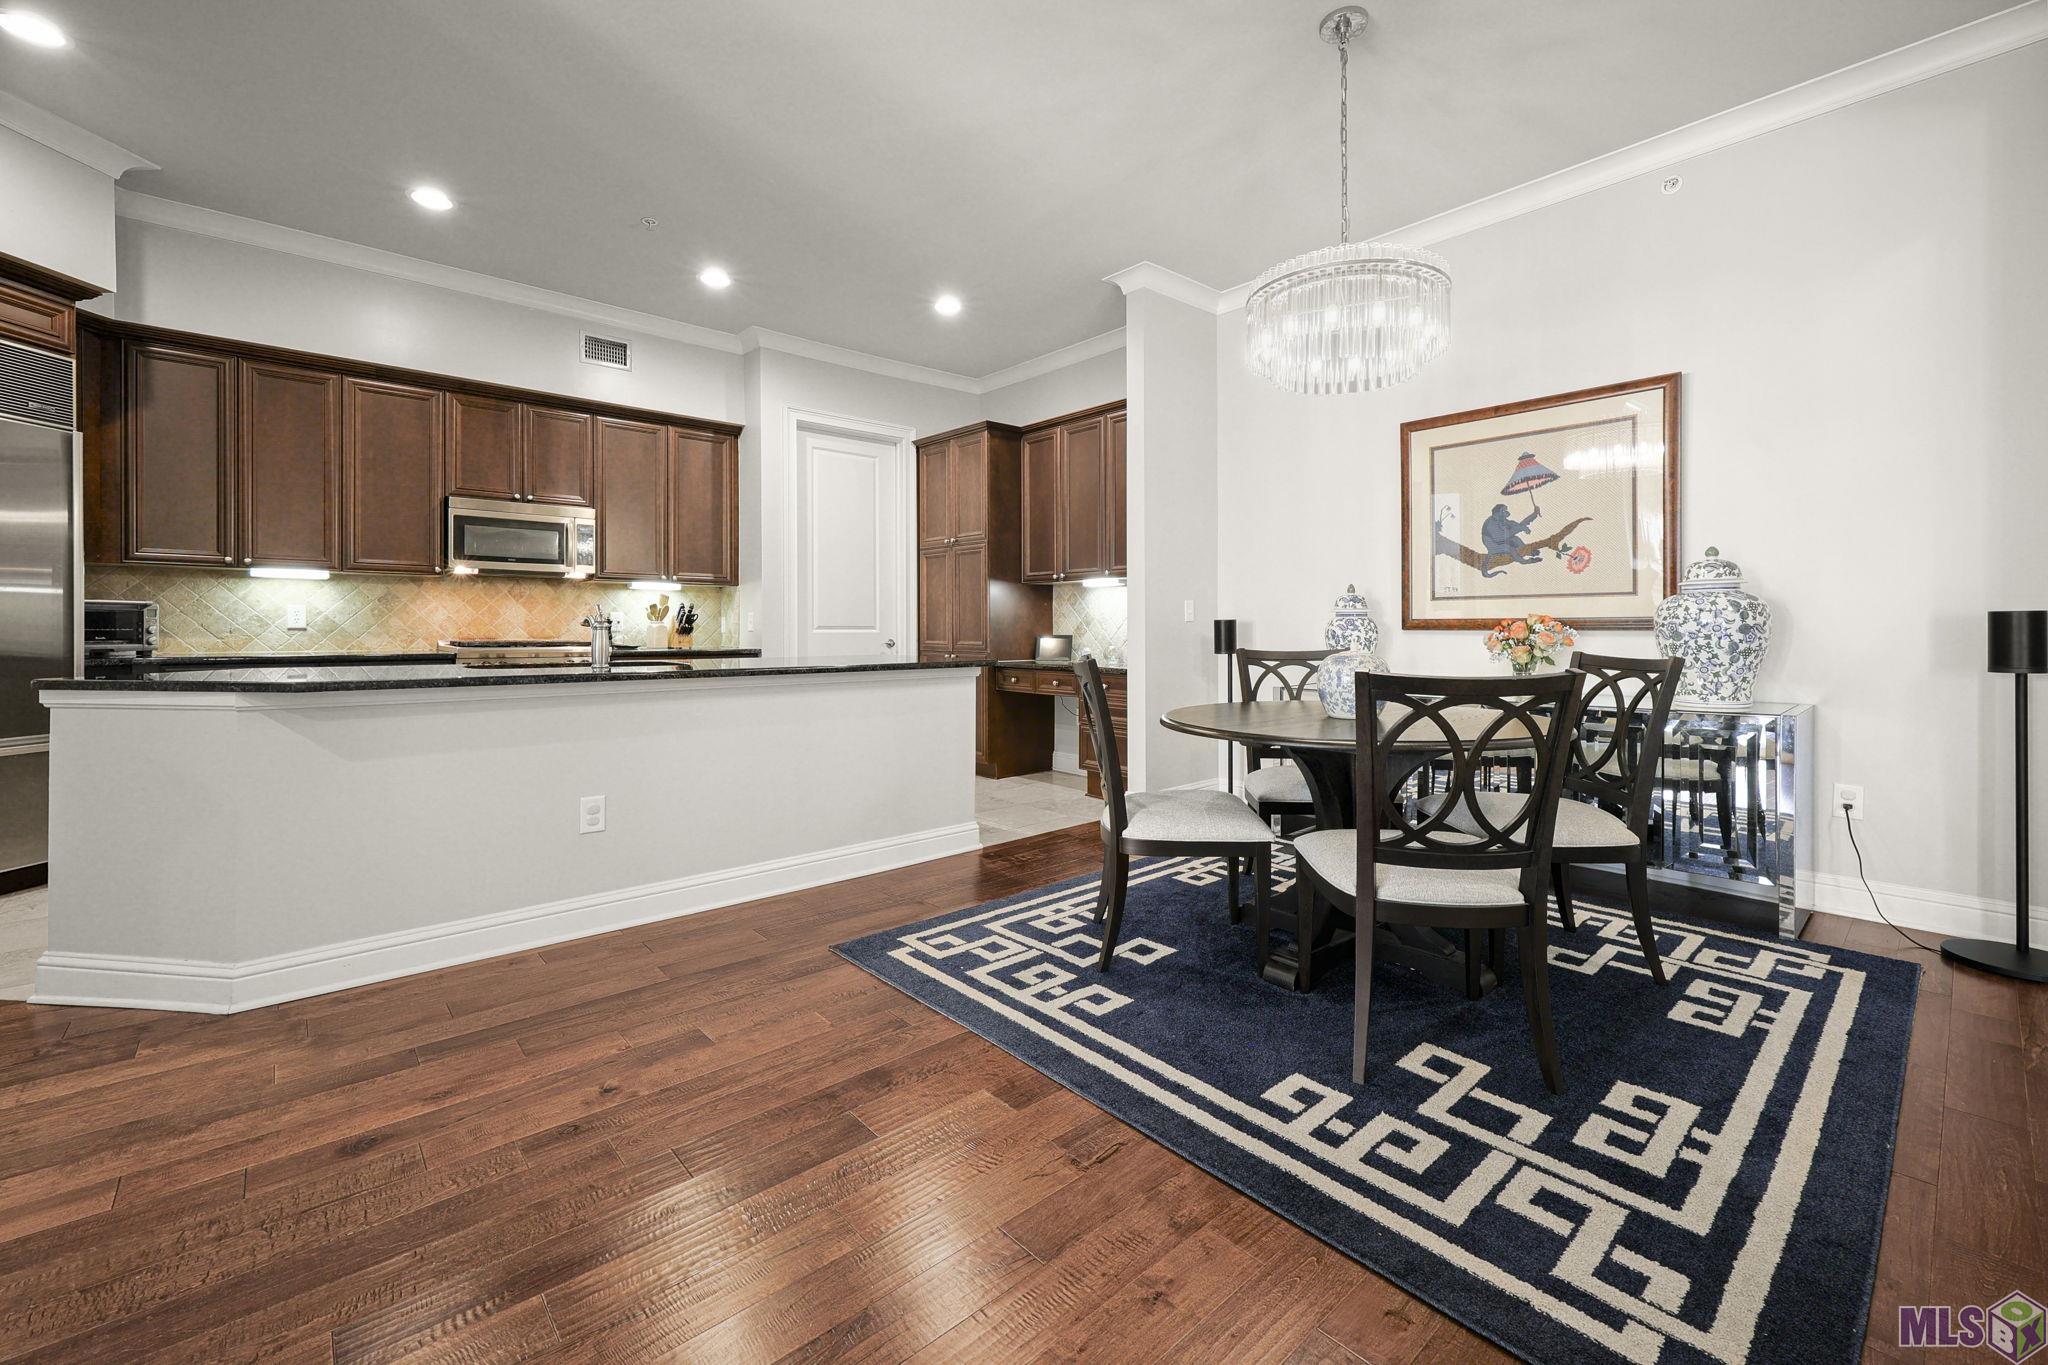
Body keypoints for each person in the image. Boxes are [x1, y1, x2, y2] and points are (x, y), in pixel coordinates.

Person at [1479, 503, 1542, 576]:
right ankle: (1525, 561)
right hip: (1493, 545)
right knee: (1510, 548)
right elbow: (1499, 538)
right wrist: (1520, 528)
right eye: (1503, 511)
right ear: (1497, 513)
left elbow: (1518, 525)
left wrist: (1534, 514)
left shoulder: (1502, 520)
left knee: (1516, 539)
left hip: (1501, 541)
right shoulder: (1491, 523)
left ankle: (1529, 552)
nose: (1506, 513)